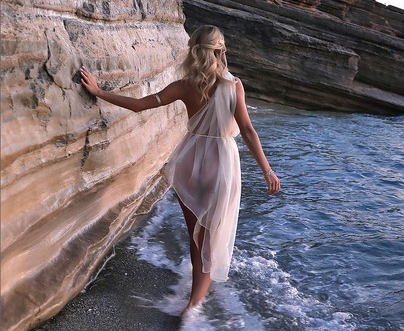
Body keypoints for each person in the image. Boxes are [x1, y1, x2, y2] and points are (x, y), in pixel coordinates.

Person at [80, 26, 280, 316]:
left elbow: (139, 106)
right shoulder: (233, 85)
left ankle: (194, 298)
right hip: (221, 163)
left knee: (195, 234)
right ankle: (194, 304)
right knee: (212, 235)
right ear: (220, 51)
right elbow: (247, 130)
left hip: (189, 161)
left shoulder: (185, 85)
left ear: (193, 50)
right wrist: (267, 171)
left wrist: (99, 92)